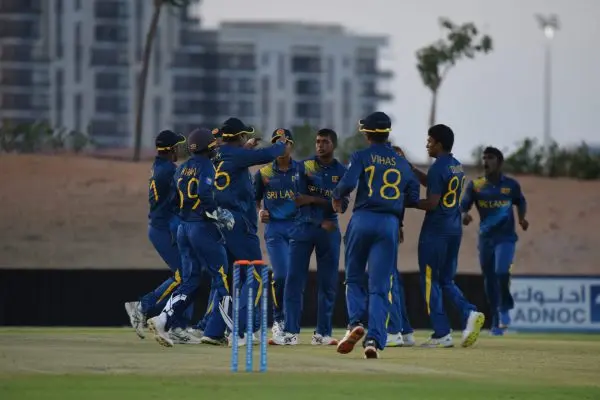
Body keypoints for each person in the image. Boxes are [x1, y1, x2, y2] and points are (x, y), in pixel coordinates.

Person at [332, 112, 419, 358]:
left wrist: (336, 196)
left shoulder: (361, 156)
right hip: (389, 224)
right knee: (380, 287)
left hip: (363, 219)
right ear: (387, 133)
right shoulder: (402, 162)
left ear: (367, 133)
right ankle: (373, 340)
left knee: (353, 278)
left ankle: (355, 323)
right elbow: (412, 197)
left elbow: (348, 183)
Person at [199, 117, 286, 346]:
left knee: (228, 279)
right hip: (237, 223)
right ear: (239, 137)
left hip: (216, 220)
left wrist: (245, 149)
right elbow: (269, 154)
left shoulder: (216, 154)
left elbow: (234, 160)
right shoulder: (236, 155)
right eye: (244, 135)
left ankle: (213, 330)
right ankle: (240, 331)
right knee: (256, 274)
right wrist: (282, 143)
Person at [147, 128, 235, 347]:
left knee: (190, 280)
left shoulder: (182, 167)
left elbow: (174, 200)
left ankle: (162, 319)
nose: (215, 148)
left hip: (183, 228)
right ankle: (229, 331)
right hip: (201, 228)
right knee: (221, 278)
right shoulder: (206, 166)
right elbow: (204, 194)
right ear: (207, 147)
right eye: (213, 145)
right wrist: (218, 214)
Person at [403, 124, 485, 348]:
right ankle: (469, 312)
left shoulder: (438, 167)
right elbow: (434, 184)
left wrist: (408, 202)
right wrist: (411, 169)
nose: (427, 145)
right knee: (446, 280)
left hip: (436, 231)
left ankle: (441, 333)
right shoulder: (455, 165)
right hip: (453, 229)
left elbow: (432, 202)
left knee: (429, 280)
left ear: (439, 144)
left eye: (429, 141)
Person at [272, 129, 348, 346]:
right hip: (303, 227)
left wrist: (313, 199)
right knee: (294, 281)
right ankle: (290, 332)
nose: (320, 145)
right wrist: (324, 205)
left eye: (325, 142)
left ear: (333, 145)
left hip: (329, 230)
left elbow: (341, 205)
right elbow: (298, 200)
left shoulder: (342, 171)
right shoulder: (304, 166)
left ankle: (322, 334)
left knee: (328, 283)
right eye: (317, 142)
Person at [124, 129, 195, 343]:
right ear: (171, 149)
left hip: (162, 227)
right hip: (164, 229)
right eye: (177, 147)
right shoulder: (170, 171)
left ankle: (177, 326)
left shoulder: (159, 166)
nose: (179, 151)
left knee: (189, 275)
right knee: (184, 276)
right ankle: (142, 307)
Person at [460, 146, 528, 335]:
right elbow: (463, 205)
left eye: (490, 158)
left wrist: (522, 218)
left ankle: (505, 307)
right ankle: (496, 322)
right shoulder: (476, 185)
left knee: (501, 271)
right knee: (489, 281)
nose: (486, 161)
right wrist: (464, 215)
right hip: (486, 239)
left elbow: (521, 201)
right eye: (484, 158)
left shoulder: (511, 185)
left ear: (499, 162)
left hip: (506, 238)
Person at [254, 128, 297, 340]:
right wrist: (260, 211)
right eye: (276, 143)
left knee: (294, 278)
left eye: (284, 142)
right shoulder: (263, 173)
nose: (281, 146)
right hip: (275, 230)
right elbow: (255, 199)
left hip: (298, 228)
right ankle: (278, 320)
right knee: (281, 275)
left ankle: (291, 323)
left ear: (291, 145)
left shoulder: (302, 170)